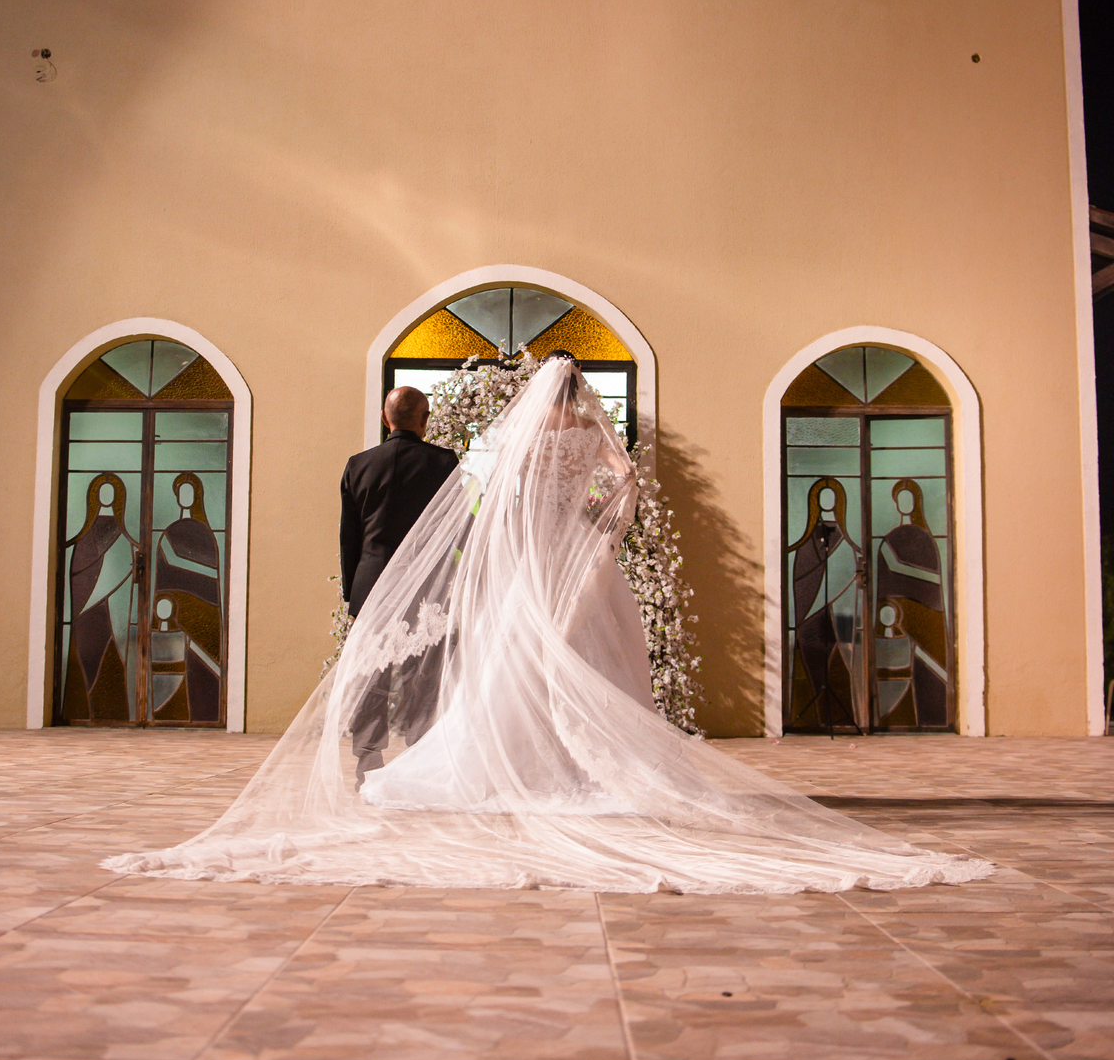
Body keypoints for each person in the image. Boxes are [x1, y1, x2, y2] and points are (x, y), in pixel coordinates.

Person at [103, 357, 992, 895]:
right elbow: (621, 492)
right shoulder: (596, 438)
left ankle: (519, 762)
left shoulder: (523, 443)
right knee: (594, 658)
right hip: (584, 564)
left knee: (517, 665)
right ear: (580, 394)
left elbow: (500, 504)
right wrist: (596, 527)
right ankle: (579, 763)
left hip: (535, 561)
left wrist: (533, 532)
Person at [339, 384, 459, 782]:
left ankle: (367, 757)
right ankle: (419, 753)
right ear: (425, 421)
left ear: (384, 419)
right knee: (420, 672)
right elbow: (453, 529)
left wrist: (352, 594)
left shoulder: (358, 464)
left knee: (371, 674)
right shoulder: (443, 463)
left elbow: (349, 537)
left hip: (370, 583)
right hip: (424, 583)